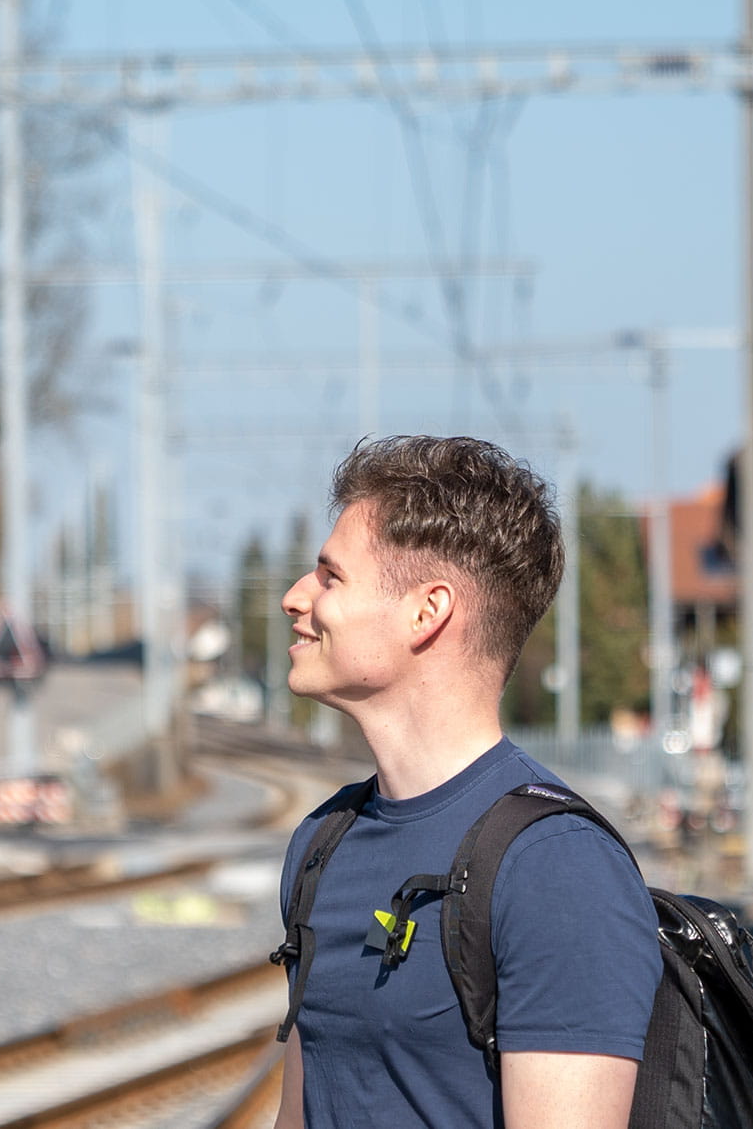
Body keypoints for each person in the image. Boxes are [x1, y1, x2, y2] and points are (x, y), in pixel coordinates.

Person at [272, 436, 661, 1129]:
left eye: (331, 577)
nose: (294, 597)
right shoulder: (322, 845)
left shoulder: (558, 869)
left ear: (429, 611)